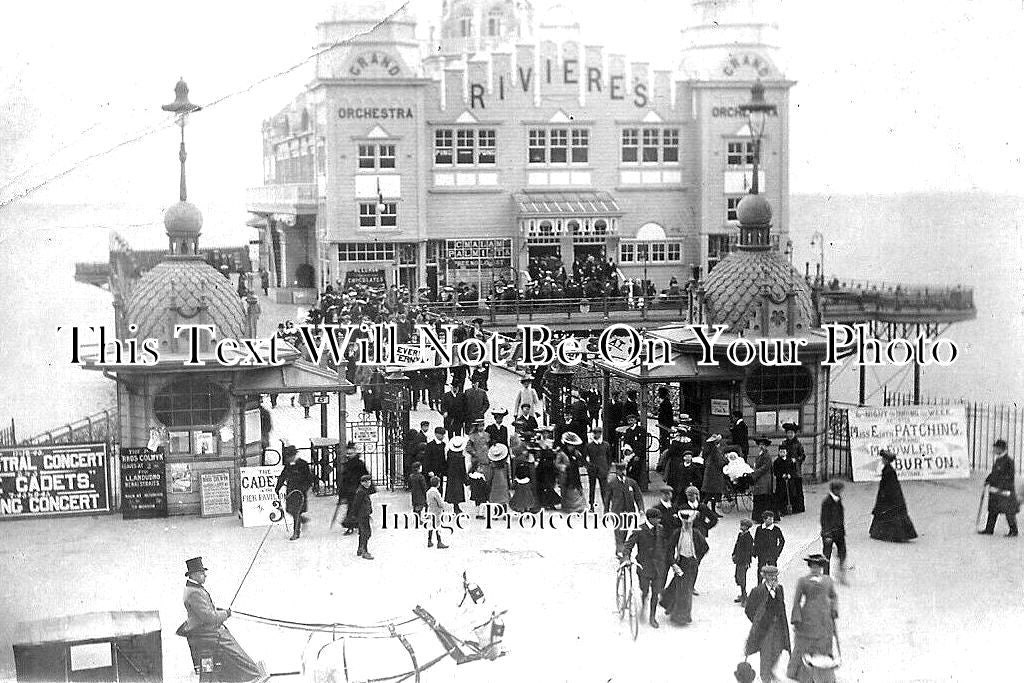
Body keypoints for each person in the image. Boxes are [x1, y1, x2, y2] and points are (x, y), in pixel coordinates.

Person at [176, 557, 268, 683]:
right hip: (205, 632)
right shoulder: (194, 592)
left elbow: (206, 611)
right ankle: (251, 674)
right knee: (232, 646)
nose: (205, 575)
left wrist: (220, 611)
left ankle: (244, 672)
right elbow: (209, 617)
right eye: (202, 573)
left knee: (227, 634)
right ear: (194, 575)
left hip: (203, 628)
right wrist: (226, 614)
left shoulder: (194, 588)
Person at [788, 554, 839, 683]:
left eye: (817, 567)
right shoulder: (803, 581)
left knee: (824, 644)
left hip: (824, 618)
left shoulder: (828, 580)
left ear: (821, 567)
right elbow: (797, 601)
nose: (815, 569)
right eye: (813, 567)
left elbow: (834, 596)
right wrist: (797, 618)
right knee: (805, 645)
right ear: (810, 567)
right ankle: (802, 674)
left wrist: (834, 609)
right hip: (808, 617)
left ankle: (824, 674)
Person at [621, 508, 671, 629]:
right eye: (657, 518)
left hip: (659, 566)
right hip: (644, 566)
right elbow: (628, 546)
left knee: (656, 592)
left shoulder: (660, 529)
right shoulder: (639, 530)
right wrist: (627, 557)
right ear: (651, 518)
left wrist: (669, 561)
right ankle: (644, 603)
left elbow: (665, 547)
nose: (659, 521)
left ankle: (652, 617)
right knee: (645, 590)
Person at [744, 565, 791, 683]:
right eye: (770, 576)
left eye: (775, 576)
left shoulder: (780, 589)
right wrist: (758, 621)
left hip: (778, 627)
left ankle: (769, 671)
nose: (773, 578)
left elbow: (781, 607)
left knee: (778, 650)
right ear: (764, 577)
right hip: (765, 629)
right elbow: (748, 609)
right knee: (765, 653)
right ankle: (765, 678)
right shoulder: (757, 591)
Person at [660, 511, 708, 627]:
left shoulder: (696, 533)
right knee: (680, 587)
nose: (687, 525)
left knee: (685, 589)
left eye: (689, 523)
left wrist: (697, 559)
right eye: (685, 523)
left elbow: (705, 547)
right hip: (680, 562)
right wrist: (673, 563)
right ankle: (675, 610)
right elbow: (670, 548)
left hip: (691, 564)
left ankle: (681, 616)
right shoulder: (677, 533)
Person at [868, 449, 918, 542]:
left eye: (883, 459)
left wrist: (884, 495)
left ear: (886, 460)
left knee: (888, 512)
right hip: (892, 495)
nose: (882, 460)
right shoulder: (888, 470)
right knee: (890, 513)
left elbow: (888, 485)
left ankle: (886, 533)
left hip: (889, 495)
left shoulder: (888, 471)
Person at [275, 445, 317, 541]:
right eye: (287, 457)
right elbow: (282, 476)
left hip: (300, 492)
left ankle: (296, 533)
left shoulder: (303, 464)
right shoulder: (288, 465)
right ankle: (302, 520)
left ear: (294, 455)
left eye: (290, 456)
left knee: (296, 511)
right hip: (290, 491)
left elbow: (309, 479)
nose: (289, 458)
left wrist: (304, 488)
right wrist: (277, 488)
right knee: (289, 510)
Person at [980, 438, 1019, 537]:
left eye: (995, 448)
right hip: (996, 490)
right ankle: (989, 529)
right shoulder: (998, 460)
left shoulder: (1009, 461)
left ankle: (1013, 530)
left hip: (1005, 491)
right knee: (993, 510)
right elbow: (994, 473)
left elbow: (1009, 476)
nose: (994, 450)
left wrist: (1001, 485)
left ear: (1001, 449)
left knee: (1008, 512)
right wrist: (988, 480)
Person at [605, 463, 644, 558]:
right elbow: (607, 498)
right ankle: (620, 549)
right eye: (620, 470)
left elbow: (638, 496)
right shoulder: (612, 483)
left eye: (623, 470)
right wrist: (606, 511)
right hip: (617, 511)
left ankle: (620, 547)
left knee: (625, 530)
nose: (622, 472)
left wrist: (641, 509)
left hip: (629, 511)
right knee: (618, 530)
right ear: (616, 471)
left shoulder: (632, 483)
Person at [820, 480, 849, 583]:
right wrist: (827, 534)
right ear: (835, 490)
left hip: (839, 532)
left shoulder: (838, 499)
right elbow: (824, 519)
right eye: (840, 490)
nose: (841, 492)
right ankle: (826, 576)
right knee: (826, 555)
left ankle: (841, 574)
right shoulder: (827, 502)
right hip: (829, 533)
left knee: (843, 552)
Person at [344, 474, 376, 559]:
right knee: (366, 533)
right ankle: (364, 551)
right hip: (362, 515)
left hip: (364, 515)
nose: (369, 483)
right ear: (362, 483)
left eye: (369, 481)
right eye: (366, 482)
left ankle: (360, 549)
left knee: (363, 532)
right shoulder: (361, 492)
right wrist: (354, 515)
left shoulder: (364, 490)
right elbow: (356, 504)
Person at [338, 446, 368, 535]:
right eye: (347, 453)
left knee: (358, 509)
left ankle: (357, 526)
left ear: (355, 453)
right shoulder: (346, 465)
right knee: (351, 508)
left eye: (350, 453)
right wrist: (342, 492)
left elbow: (365, 476)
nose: (348, 455)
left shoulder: (359, 464)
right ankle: (351, 526)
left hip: (358, 490)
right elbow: (344, 479)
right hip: (349, 490)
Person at [779, 423, 806, 513]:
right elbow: (781, 453)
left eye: (792, 433)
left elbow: (803, 456)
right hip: (786, 468)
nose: (790, 435)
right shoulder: (784, 443)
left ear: (794, 434)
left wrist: (797, 460)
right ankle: (787, 507)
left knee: (797, 488)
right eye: (788, 433)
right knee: (788, 488)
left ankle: (798, 507)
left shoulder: (798, 444)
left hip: (796, 469)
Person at [558, 433, 588, 513]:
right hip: (565, 475)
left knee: (577, 488)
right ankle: (567, 507)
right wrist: (563, 467)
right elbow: (557, 463)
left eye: (572, 445)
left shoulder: (576, 452)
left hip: (574, 473)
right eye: (570, 445)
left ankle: (579, 507)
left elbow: (581, 461)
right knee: (565, 490)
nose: (571, 447)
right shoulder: (561, 453)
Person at [585, 425, 611, 511]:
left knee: (604, 489)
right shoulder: (589, 445)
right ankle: (591, 505)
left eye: (599, 433)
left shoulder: (606, 445)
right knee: (592, 488)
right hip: (593, 469)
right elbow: (585, 458)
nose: (597, 435)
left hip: (603, 469)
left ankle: (606, 506)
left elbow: (609, 458)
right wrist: (588, 466)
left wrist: (607, 468)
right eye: (595, 433)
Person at [510, 441, 539, 513]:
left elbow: (514, 470)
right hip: (526, 478)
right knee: (528, 493)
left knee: (522, 493)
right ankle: (528, 506)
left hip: (522, 478)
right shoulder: (523, 458)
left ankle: (524, 507)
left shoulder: (517, 459)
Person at [750, 437, 775, 522]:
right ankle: (758, 517)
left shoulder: (766, 455)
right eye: (760, 444)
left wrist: (755, 472)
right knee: (759, 497)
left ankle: (762, 518)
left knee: (763, 497)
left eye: (763, 445)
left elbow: (765, 467)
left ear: (766, 446)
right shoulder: (760, 454)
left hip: (764, 479)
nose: (761, 446)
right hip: (759, 478)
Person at [701, 434, 726, 517]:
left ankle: (710, 510)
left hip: (711, 475)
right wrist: (726, 462)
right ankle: (705, 510)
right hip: (714, 475)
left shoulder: (710, 451)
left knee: (711, 494)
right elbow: (719, 463)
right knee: (711, 494)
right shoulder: (714, 451)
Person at [753, 511, 785, 576]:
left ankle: (773, 584)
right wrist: (755, 551)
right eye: (769, 519)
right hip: (762, 553)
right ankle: (760, 584)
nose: (771, 520)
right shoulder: (759, 529)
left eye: (772, 519)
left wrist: (778, 551)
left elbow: (782, 541)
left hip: (772, 553)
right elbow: (756, 541)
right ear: (764, 520)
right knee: (761, 570)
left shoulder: (776, 529)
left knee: (772, 571)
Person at [732, 518, 756, 606]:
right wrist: (733, 554)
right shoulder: (740, 535)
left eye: (743, 525)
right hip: (738, 560)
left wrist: (747, 562)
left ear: (747, 527)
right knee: (738, 577)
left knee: (742, 578)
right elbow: (736, 545)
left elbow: (749, 551)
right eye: (741, 525)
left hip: (743, 561)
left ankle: (744, 597)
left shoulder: (749, 537)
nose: (741, 527)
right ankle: (743, 594)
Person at [444, 435, 468, 514]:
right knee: (457, 492)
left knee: (452, 491)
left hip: (451, 476)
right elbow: (462, 469)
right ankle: (456, 507)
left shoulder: (450, 455)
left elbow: (447, 465)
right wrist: (465, 478)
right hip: (458, 476)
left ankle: (455, 506)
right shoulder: (460, 457)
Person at [772, 446, 799, 517]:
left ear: (786, 452)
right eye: (780, 452)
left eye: (783, 452)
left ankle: (790, 508)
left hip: (789, 481)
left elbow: (794, 470)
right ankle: (782, 510)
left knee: (790, 494)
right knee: (781, 495)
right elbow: (775, 472)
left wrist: (790, 475)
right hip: (781, 482)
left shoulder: (790, 461)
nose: (782, 453)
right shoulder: (776, 462)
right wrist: (781, 475)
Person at [486, 443, 512, 515]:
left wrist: (488, 483)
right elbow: (508, 475)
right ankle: (504, 512)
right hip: (504, 484)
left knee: (496, 498)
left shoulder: (492, 466)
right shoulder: (506, 465)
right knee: (503, 499)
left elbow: (490, 476)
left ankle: (497, 512)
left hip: (495, 484)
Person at [426, 476, 451, 549]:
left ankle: (429, 540)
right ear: (438, 484)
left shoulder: (428, 492)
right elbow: (440, 503)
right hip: (437, 511)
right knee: (438, 527)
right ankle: (439, 542)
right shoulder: (436, 493)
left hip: (430, 510)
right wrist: (444, 507)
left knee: (431, 525)